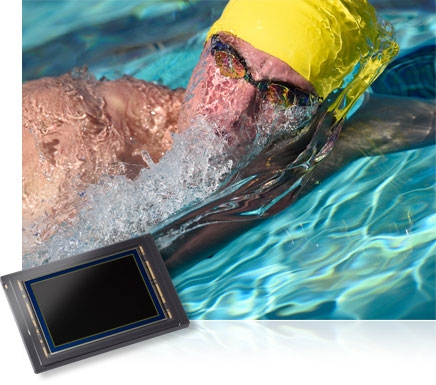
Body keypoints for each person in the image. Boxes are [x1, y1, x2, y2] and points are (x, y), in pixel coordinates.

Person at [22, 0, 434, 266]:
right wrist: (310, 170)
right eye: (230, 62)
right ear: (205, 49)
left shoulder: (288, 154)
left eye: (282, 95)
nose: (234, 110)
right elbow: (57, 311)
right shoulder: (61, 131)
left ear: (317, 119)